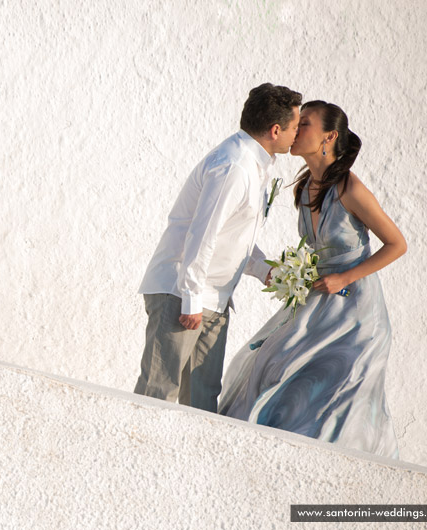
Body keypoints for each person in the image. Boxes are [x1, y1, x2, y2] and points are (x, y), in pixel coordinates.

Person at [218, 101, 407, 458]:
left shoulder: (351, 188)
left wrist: (343, 277)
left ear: (329, 137)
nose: (295, 127)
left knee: (336, 398)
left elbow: (397, 244)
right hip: (316, 303)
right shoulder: (304, 188)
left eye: (304, 123)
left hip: (356, 316)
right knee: (272, 367)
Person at [134, 83, 303, 411]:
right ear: (275, 130)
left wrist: (266, 271)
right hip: (181, 294)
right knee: (158, 393)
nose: (297, 134)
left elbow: (234, 237)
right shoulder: (234, 166)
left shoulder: (254, 166)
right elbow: (203, 233)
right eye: (295, 127)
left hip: (213, 299)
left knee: (202, 403)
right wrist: (191, 298)